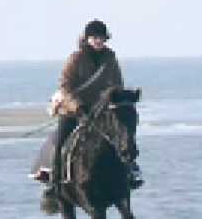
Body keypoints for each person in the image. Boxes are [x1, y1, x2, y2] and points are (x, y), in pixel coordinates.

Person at [44, 19, 144, 197]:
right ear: (87, 38)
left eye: (102, 38)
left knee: (122, 135)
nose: (99, 41)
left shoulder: (110, 57)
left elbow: (117, 83)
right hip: (75, 109)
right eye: (95, 37)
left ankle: (131, 171)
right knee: (61, 142)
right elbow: (65, 87)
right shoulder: (76, 58)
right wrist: (77, 106)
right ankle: (55, 183)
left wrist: (117, 99)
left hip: (101, 109)